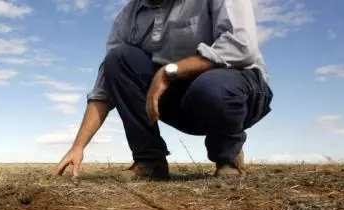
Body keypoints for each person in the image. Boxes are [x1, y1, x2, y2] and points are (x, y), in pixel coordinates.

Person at [54, 0, 273, 180]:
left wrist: (170, 71)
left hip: (239, 90)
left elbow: (241, 46)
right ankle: (149, 161)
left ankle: (228, 157)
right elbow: (105, 85)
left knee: (211, 87)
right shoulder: (129, 15)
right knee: (118, 59)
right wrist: (78, 146)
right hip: (180, 100)